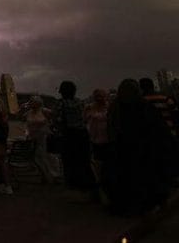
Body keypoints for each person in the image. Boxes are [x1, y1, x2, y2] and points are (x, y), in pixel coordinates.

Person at [103, 79, 179, 216]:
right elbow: (158, 130)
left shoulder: (115, 108)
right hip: (145, 152)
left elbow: (111, 130)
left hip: (123, 153)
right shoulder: (144, 106)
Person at [52, 80, 95, 200]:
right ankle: (87, 186)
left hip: (69, 135)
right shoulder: (80, 102)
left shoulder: (60, 103)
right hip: (82, 135)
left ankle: (73, 187)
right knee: (83, 161)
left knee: (69, 162)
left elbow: (58, 119)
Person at [83, 88, 110, 201]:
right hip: (96, 140)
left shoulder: (110, 107)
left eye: (101, 96)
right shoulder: (89, 108)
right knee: (98, 166)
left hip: (108, 140)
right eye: (97, 96)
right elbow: (85, 119)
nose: (99, 99)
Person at [24, 95, 58, 183]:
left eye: (33, 102)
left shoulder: (44, 111)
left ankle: (52, 175)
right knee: (37, 158)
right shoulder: (28, 113)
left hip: (44, 137)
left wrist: (51, 127)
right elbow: (24, 121)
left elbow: (54, 117)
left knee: (47, 156)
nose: (31, 104)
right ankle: (44, 175)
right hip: (33, 137)